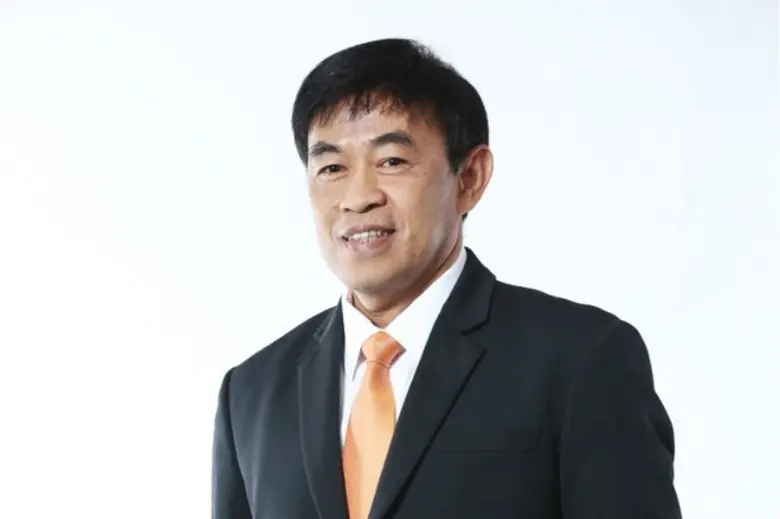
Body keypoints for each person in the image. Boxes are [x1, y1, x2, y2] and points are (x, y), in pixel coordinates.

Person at [211, 38, 682, 519]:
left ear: (469, 177)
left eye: (392, 161)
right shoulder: (251, 394)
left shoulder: (581, 359)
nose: (358, 197)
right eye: (331, 167)